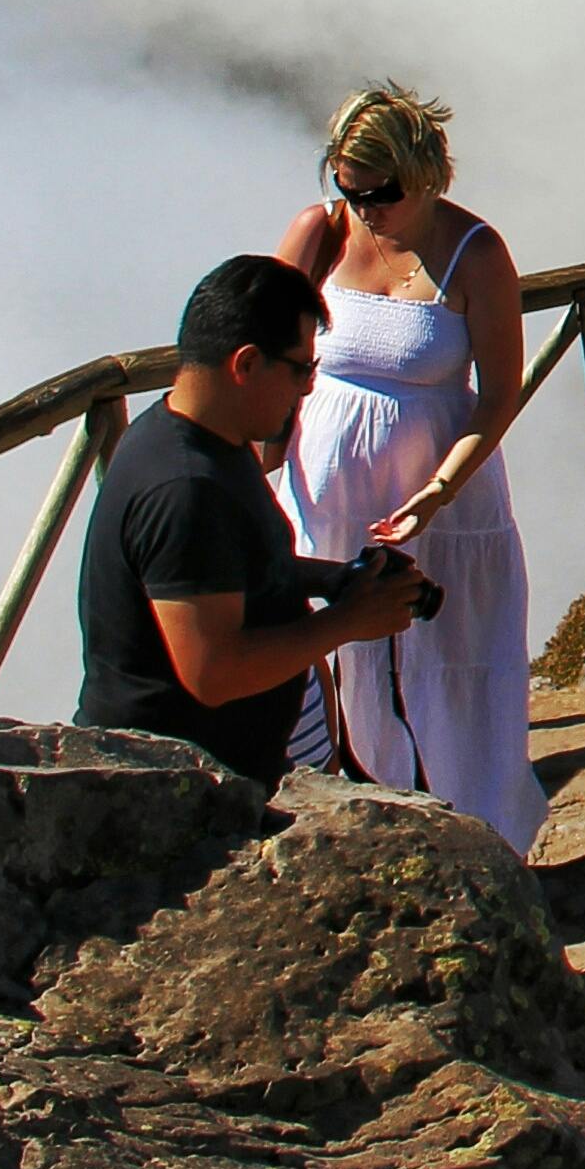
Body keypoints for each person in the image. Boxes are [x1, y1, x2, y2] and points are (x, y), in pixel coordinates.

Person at [267, 84, 543, 846]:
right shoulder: (318, 236)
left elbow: (498, 392)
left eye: (380, 193)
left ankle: (482, 834)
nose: (364, 209)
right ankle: (359, 831)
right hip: (328, 494)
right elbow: (259, 338)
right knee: (340, 661)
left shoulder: (474, 253)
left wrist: (438, 491)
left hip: (442, 493)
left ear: (423, 174)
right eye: (349, 190)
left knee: (454, 658)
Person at [77, 254, 433, 781]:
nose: (308, 387)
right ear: (244, 364)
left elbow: (229, 567)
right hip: (189, 789)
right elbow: (213, 673)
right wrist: (347, 621)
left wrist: (333, 578)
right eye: (301, 368)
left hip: (235, 763)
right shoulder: (186, 490)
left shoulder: (197, 433)